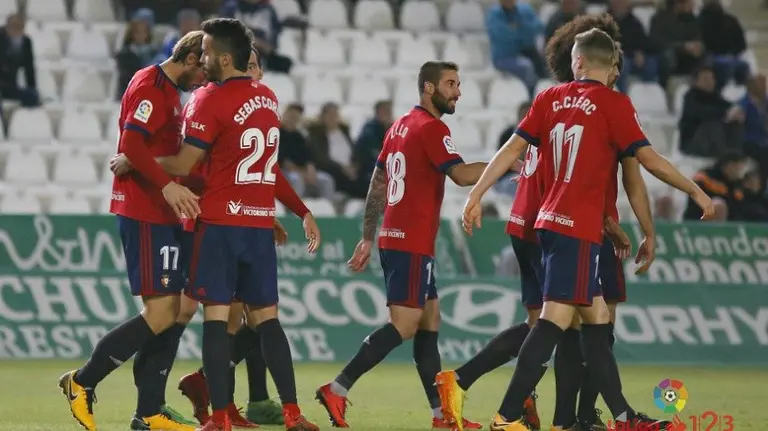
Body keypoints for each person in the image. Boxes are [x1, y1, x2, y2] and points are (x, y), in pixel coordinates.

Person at [461, 28, 714, 431]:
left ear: (576, 62)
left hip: (550, 222)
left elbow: (512, 148)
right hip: (577, 227)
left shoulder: (547, 98)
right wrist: (696, 189)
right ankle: (506, 417)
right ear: (610, 65)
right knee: (552, 322)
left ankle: (626, 417)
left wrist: (476, 193)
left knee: (597, 322)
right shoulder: (615, 104)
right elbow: (647, 161)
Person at [435, 14, 656, 431]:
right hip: (558, 223)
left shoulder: (554, 101)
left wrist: (478, 193)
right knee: (575, 321)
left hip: (528, 222)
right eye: (614, 66)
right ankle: (565, 417)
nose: (616, 74)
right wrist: (613, 220)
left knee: (552, 322)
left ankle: (470, 383)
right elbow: (606, 176)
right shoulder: (597, 107)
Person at [109, 47, 320, 428]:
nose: (254, 72)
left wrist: (281, 208)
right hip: (206, 221)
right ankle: (153, 402)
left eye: (257, 66)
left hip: (235, 221)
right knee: (181, 315)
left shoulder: (246, 106)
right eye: (250, 64)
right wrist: (139, 159)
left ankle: (221, 399)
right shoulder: (212, 103)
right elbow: (194, 165)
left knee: (236, 319)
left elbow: (260, 170)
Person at [314, 61, 488, 430]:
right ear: (429, 88)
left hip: (399, 237)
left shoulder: (399, 126)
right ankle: (337, 388)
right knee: (405, 324)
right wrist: (508, 163)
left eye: (458, 84)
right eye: (450, 84)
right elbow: (460, 175)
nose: (457, 91)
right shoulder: (431, 127)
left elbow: (378, 183)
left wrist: (367, 235)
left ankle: (443, 417)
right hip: (409, 240)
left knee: (429, 321)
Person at [57, 31, 205, 431]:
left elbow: (143, 152)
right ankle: (81, 381)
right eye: (202, 69)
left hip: (163, 212)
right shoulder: (151, 87)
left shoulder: (171, 92)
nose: (203, 80)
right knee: (160, 313)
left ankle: (150, 412)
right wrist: (168, 183)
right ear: (191, 57)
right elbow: (132, 146)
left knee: (170, 313)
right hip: (144, 212)